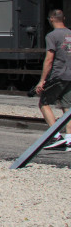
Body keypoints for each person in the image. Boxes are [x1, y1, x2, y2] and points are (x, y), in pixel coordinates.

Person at [37, 10, 71, 150]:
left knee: (43, 102)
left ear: (51, 19)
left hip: (58, 75)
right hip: (70, 76)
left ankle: (55, 135)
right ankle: (69, 139)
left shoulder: (52, 36)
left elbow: (49, 59)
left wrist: (42, 80)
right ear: (63, 18)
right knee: (67, 108)